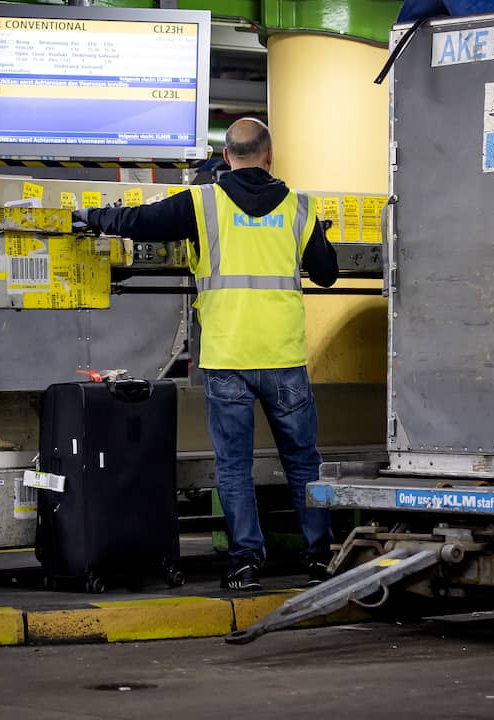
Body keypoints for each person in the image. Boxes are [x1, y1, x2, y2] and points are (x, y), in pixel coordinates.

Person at [73, 118, 339, 591]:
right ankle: (320, 558)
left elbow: (139, 222)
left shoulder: (203, 203)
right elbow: (327, 274)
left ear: (226, 157)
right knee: (302, 461)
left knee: (233, 464)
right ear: (270, 156)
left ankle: (245, 563)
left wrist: (94, 217)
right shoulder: (300, 208)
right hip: (284, 358)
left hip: (226, 357)